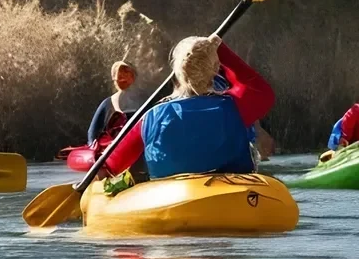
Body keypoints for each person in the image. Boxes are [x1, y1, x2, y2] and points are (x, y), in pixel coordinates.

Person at [100, 36, 274, 179]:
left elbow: (110, 165)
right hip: (231, 192)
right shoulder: (236, 106)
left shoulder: (150, 117)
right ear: (215, 68)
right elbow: (259, 88)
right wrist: (220, 49)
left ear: (177, 72)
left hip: (171, 201)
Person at [85, 61, 138, 149]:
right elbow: (92, 132)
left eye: (126, 72)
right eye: (120, 74)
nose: (123, 76)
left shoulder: (145, 102)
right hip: (115, 152)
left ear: (133, 77)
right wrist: (94, 149)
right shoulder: (108, 103)